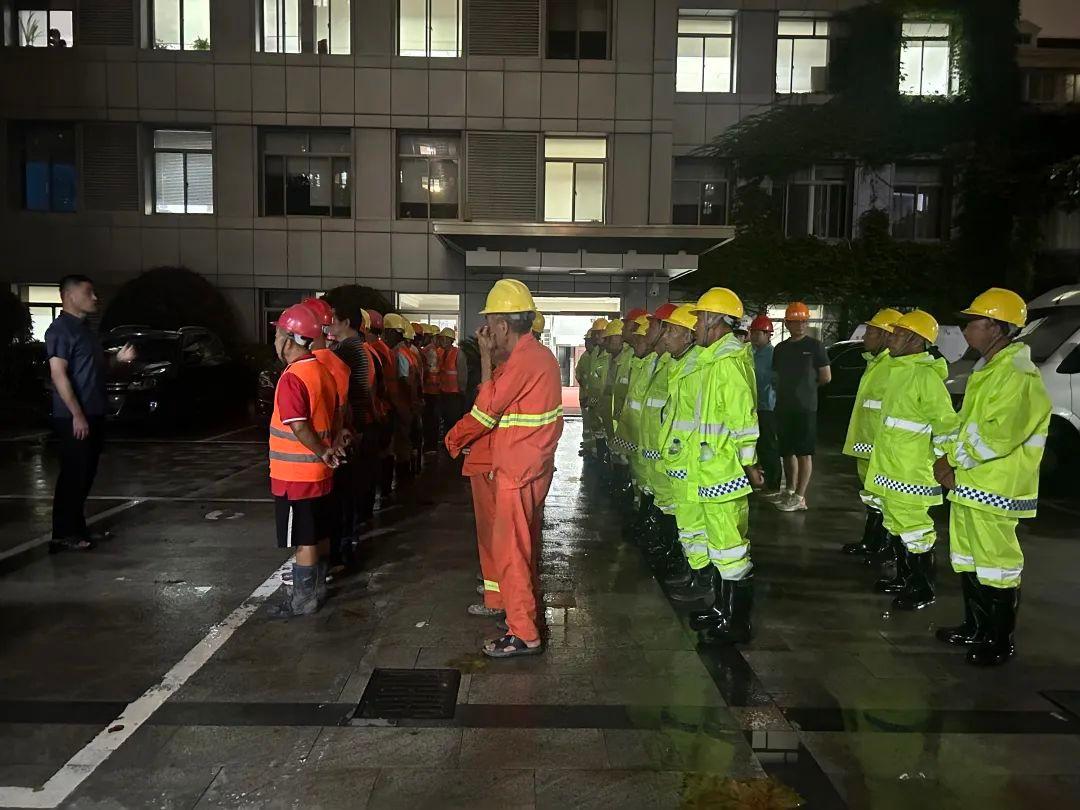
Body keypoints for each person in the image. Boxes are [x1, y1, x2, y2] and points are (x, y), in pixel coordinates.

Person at [445, 279, 563, 659]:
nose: (488, 331)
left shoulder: (525, 360)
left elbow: (485, 407)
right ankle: (519, 619)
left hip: (517, 472)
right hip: (528, 467)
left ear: (501, 325)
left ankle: (524, 633)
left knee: (511, 552)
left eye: (491, 322)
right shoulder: (535, 358)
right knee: (517, 548)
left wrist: (453, 439)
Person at [935, 289, 1050, 666]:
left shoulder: (1016, 375)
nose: (966, 328)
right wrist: (950, 460)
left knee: (997, 564)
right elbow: (970, 427)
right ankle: (976, 627)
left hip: (996, 485)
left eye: (974, 322)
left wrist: (951, 460)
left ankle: (999, 641)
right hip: (974, 483)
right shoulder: (991, 369)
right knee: (969, 559)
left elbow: (998, 435)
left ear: (998, 327)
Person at [684, 289, 763, 646]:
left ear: (716, 322)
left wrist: (749, 464)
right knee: (719, 547)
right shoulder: (712, 360)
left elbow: (743, 421)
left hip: (726, 473)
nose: (695, 325)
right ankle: (721, 610)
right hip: (712, 470)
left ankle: (737, 623)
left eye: (700, 318)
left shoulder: (727, 364)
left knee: (730, 550)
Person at [866, 310, 954, 612]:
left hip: (911, 472)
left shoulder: (925, 377)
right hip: (892, 468)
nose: (892, 337)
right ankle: (905, 579)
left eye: (899, 333)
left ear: (916, 340)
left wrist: (947, 464)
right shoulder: (900, 370)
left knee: (916, 530)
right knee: (897, 525)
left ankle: (922, 588)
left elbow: (945, 425)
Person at [45, 275, 136, 552]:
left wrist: (117, 360)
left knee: (85, 473)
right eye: (89, 292)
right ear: (70, 296)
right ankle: (64, 532)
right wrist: (77, 414)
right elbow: (58, 374)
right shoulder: (60, 330)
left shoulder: (85, 330)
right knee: (74, 474)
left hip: (93, 412)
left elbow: (94, 368)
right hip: (74, 417)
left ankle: (76, 527)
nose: (95, 298)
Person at [267, 304, 342, 618]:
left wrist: (321, 450)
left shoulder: (293, 377)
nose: (275, 340)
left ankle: (303, 601)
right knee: (319, 532)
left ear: (288, 339)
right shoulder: (321, 370)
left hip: (296, 474)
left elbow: (298, 425)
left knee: (303, 540)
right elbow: (337, 415)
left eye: (277, 334)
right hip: (319, 473)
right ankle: (318, 589)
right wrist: (329, 449)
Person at [654, 304, 710, 601]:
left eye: (673, 330)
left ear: (689, 335)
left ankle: (702, 581)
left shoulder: (697, 367)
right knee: (686, 524)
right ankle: (693, 573)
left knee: (695, 526)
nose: (666, 337)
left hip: (693, 463)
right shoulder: (680, 364)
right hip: (679, 459)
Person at [839, 308, 903, 560]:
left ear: (887, 336)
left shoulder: (891, 366)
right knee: (872, 497)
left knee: (884, 499)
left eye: (872, 332)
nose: (865, 337)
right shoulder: (876, 363)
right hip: (868, 446)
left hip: (880, 448)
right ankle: (873, 542)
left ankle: (884, 547)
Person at [326, 296, 378, 562]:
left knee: (344, 493)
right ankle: (349, 539)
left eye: (333, 319)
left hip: (352, 427)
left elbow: (346, 396)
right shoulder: (359, 348)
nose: (328, 324)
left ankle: (344, 545)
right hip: (360, 424)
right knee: (352, 490)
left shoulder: (346, 351)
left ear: (346, 322)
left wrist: (348, 428)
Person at [772, 301, 831, 511]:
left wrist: (805, 389)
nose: (801, 326)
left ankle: (800, 496)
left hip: (805, 408)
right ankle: (789, 490)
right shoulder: (780, 349)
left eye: (804, 321)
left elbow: (826, 377)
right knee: (787, 451)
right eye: (796, 322)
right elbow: (776, 377)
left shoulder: (815, 347)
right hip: (784, 407)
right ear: (787, 323)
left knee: (804, 453)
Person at [636, 303, 680, 564]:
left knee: (672, 503)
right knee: (660, 497)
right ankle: (662, 540)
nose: (649, 331)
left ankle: (671, 550)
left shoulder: (673, 365)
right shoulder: (657, 361)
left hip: (669, 451)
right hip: (651, 445)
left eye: (653, 325)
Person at [748, 314, 781, 497]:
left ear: (768, 335)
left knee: (769, 446)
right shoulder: (750, 353)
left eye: (758, 333)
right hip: (753, 407)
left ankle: (773, 484)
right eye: (753, 332)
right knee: (757, 446)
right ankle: (759, 480)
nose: (754, 336)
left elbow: (776, 380)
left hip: (767, 407)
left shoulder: (773, 354)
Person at [577, 319, 608, 460]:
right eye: (594, 334)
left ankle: (602, 454)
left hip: (604, 402)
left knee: (606, 432)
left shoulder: (609, 354)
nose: (596, 338)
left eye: (599, 334)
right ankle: (596, 452)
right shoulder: (594, 353)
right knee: (593, 427)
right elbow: (584, 375)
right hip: (591, 399)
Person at [437, 327, 467, 436]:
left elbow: (462, 374)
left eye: (444, 339)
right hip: (443, 392)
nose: (442, 341)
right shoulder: (440, 352)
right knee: (445, 420)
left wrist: (462, 391)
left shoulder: (458, 354)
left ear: (451, 340)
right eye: (441, 339)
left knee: (453, 421)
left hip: (454, 394)